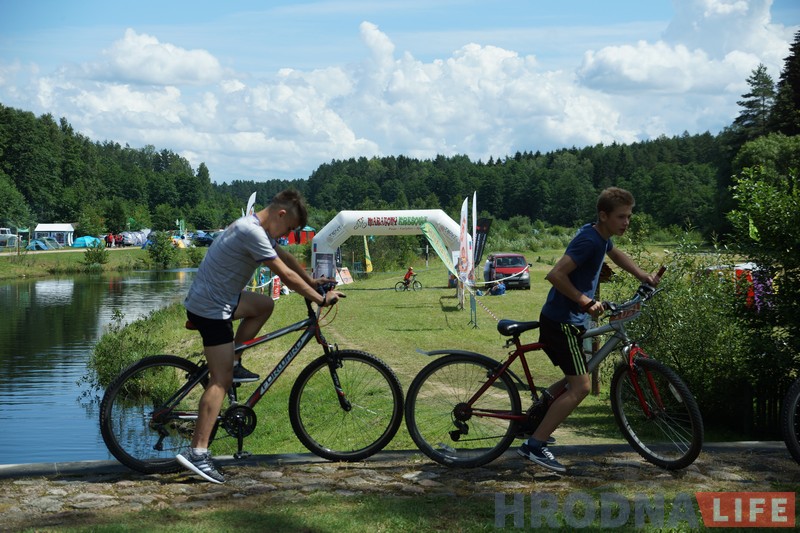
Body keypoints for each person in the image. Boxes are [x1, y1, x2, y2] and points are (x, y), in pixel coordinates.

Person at [178, 189, 345, 483]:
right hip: (212, 307)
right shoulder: (251, 232)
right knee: (220, 379)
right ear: (281, 214)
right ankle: (198, 453)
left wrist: (314, 281)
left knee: (264, 305)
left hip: (220, 299)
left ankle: (236, 356)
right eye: (290, 228)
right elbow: (284, 273)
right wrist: (320, 300)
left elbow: (287, 259)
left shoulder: (254, 227)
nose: (287, 234)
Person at [518, 187, 661, 474]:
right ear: (603, 215)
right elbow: (555, 275)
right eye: (621, 216)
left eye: (629, 216)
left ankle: (534, 420)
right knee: (582, 386)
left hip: (569, 320)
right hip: (562, 323)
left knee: (575, 377)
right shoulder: (589, 241)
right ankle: (534, 445)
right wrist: (585, 301)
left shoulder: (600, 237)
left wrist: (643, 275)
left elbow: (617, 255)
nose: (626, 222)